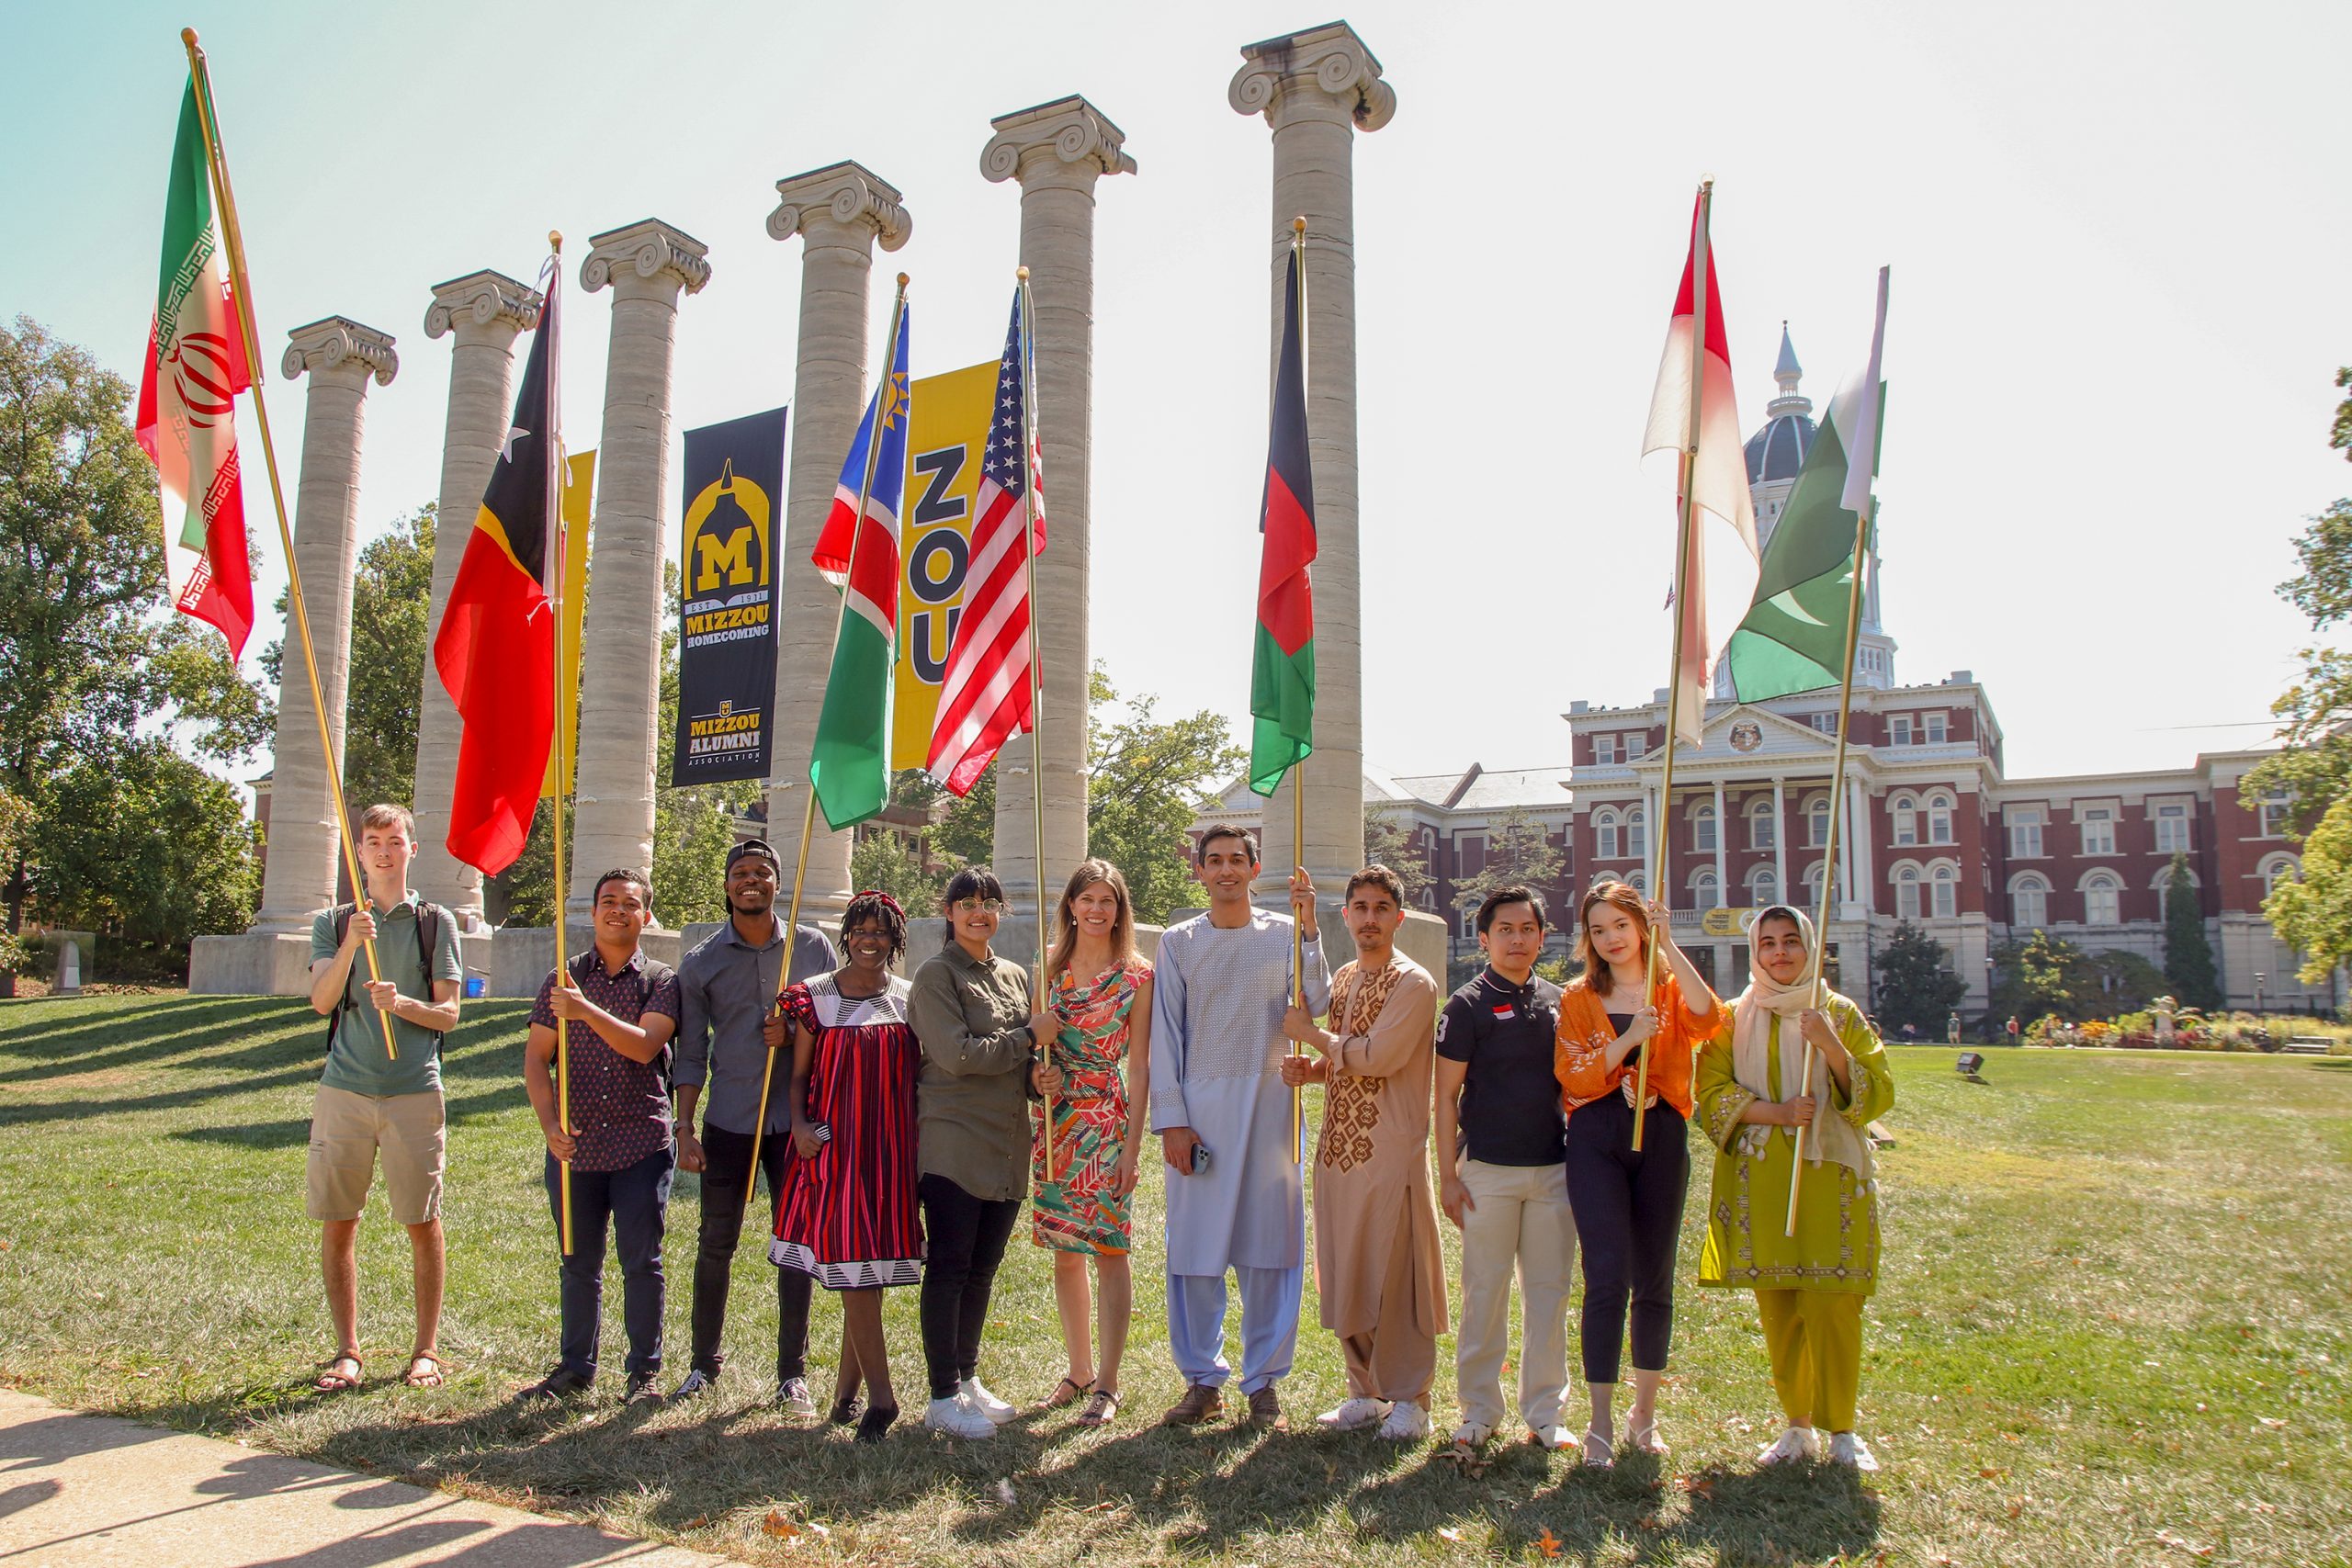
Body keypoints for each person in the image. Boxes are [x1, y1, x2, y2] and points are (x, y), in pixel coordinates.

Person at [1696, 905, 1894, 1471]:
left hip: (1830, 1179)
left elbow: (1878, 1094)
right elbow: (1709, 1094)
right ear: (1755, 952)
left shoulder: (1839, 1013)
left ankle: (1843, 1430)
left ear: (1810, 947)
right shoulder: (1733, 1018)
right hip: (1763, 1178)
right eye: (1768, 943)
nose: (1780, 952)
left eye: (1790, 941)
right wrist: (1778, 1113)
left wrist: (1831, 1046)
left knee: (1833, 1305)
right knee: (1780, 1307)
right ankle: (1797, 1425)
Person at [1151, 825, 1330, 1431]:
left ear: (1256, 869)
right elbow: (1165, 1035)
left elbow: (1318, 1000)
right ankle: (1202, 1379)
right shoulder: (1178, 942)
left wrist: (1310, 928)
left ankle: (1264, 1383)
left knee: (1270, 1248)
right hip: (1200, 1115)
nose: (1226, 869)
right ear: (1199, 870)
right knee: (1196, 1250)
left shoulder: (1284, 934)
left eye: (1237, 859)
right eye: (1215, 860)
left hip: (1271, 1108)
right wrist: (1173, 1122)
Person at [1553, 878, 1720, 1467]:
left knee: (1654, 1276)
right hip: (1597, 1139)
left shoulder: (1667, 988)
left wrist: (1670, 946)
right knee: (1606, 1276)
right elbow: (1573, 1073)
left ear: (1642, 927)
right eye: (1598, 930)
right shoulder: (1578, 996)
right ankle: (1599, 1419)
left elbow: (1708, 1020)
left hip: (1662, 1135)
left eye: (1621, 925)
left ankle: (1643, 1414)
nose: (1611, 939)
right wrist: (1627, 1041)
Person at [671, 840, 842, 1409]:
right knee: (715, 1242)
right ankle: (703, 1365)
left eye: (762, 872)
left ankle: (792, 1371)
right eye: (741, 872)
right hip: (730, 1119)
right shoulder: (700, 962)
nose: (751, 880)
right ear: (727, 885)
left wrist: (794, 1035)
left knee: (794, 1244)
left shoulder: (812, 947)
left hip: (795, 1124)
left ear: (777, 882)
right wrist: (685, 1127)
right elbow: (690, 1052)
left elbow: (835, 1028)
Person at [1280, 865, 1445, 1441]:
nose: (1370, 919)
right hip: (1339, 1149)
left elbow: (1379, 1057)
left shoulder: (1415, 983)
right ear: (1347, 915)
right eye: (1361, 908)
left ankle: (1412, 1399)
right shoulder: (1348, 977)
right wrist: (1313, 1070)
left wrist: (1311, 1036)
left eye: (1381, 908)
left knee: (1395, 1275)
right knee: (1346, 1268)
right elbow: (1346, 1059)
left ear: (1398, 917)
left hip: (1389, 1150)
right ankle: (1366, 1391)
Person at [304, 803, 464, 1393]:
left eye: (394, 841)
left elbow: (449, 1014)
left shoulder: (435, 922)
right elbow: (322, 1001)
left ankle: (426, 1350)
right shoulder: (334, 921)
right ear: (360, 852)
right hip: (344, 1089)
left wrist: (402, 1005)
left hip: (414, 1090)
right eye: (372, 841)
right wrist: (352, 942)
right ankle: (347, 1352)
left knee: (422, 1220)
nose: (383, 851)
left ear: (411, 849)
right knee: (339, 1220)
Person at [907, 866, 1060, 1440]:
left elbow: (1019, 1064)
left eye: (990, 903)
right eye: (967, 902)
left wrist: (1036, 1078)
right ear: (948, 912)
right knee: (949, 1268)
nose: (980, 912)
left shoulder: (1016, 975)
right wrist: (1029, 1037)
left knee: (982, 1270)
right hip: (954, 1143)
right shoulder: (935, 975)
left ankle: (967, 1378)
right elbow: (958, 1056)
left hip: (1006, 1143)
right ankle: (941, 1395)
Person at [519, 868, 682, 1403]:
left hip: (641, 1145)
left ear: (645, 916)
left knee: (641, 1262)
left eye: (630, 903)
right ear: (592, 913)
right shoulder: (562, 977)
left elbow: (644, 1046)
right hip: (576, 1147)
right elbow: (537, 1060)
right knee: (578, 1262)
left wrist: (584, 1009)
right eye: (608, 901)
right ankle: (575, 1368)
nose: (618, 910)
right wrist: (550, 1126)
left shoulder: (660, 979)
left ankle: (643, 1374)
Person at [767, 890, 923, 1443]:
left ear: (895, 940)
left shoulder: (910, 999)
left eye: (880, 932)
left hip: (892, 1149)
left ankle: (845, 1394)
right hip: (835, 1148)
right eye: (860, 931)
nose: (869, 941)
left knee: (870, 1270)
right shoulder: (815, 997)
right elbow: (797, 1077)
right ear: (846, 936)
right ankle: (883, 1399)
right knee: (852, 1262)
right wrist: (800, 1125)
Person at [1435, 885, 1578, 1456]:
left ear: (1542, 937)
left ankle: (1546, 1413)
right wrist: (1447, 1176)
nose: (1517, 940)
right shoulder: (1465, 1006)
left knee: (1549, 1294)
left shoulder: (1563, 1002)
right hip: (1488, 1173)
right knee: (1485, 1293)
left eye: (1527, 930)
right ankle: (1478, 1409)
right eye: (1505, 930)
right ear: (1484, 938)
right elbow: (1444, 1097)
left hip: (1553, 1172)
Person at [1030, 859, 1154, 1427]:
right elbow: (1035, 1049)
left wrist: (1132, 1149)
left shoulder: (1138, 976)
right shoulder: (1049, 969)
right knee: (1065, 1251)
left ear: (1119, 910)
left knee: (1109, 1249)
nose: (1097, 909)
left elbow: (1141, 1065)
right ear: (1072, 906)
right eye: (1088, 899)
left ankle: (1108, 1382)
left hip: (1106, 1122)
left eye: (1108, 900)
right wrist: (1039, 1075)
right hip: (1056, 1123)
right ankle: (1077, 1370)